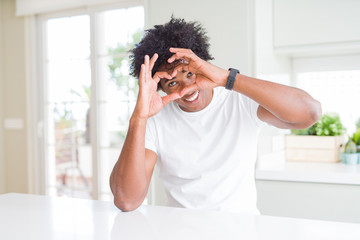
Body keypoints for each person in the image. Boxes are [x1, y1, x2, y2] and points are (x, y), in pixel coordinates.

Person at [109, 17, 321, 214]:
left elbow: (309, 113)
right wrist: (139, 117)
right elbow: (127, 200)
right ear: (161, 89)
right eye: (172, 82)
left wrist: (226, 78)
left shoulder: (240, 101)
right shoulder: (155, 121)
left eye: (189, 73)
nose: (187, 88)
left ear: (203, 65)